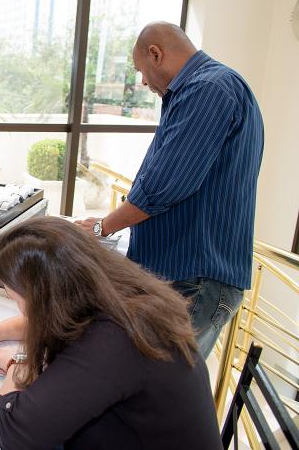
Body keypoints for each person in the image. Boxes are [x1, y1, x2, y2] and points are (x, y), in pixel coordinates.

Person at [76, 22, 264, 359]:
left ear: (156, 54)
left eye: (141, 71)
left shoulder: (208, 89)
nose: (143, 82)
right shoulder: (206, 88)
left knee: (160, 382)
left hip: (194, 278)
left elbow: (163, 186)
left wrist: (103, 227)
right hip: (186, 273)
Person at [0, 217, 222, 449]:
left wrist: (20, 367)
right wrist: (1, 329)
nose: (23, 312)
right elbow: (66, 316)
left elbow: (13, 430)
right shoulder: (120, 298)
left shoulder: (114, 342)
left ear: (47, 299)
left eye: (19, 301)